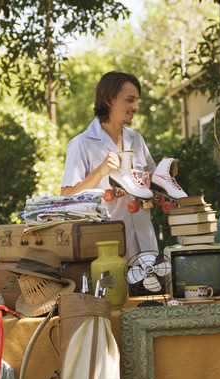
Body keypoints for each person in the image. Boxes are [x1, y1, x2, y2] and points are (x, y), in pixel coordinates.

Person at [61, 71, 158, 260]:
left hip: (146, 245)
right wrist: (100, 171)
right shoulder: (82, 143)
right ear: (108, 100)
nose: (136, 107)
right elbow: (66, 198)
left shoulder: (136, 139)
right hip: (107, 250)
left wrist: (163, 176)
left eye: (137, 100)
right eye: (130, 100)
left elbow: (151, 179)